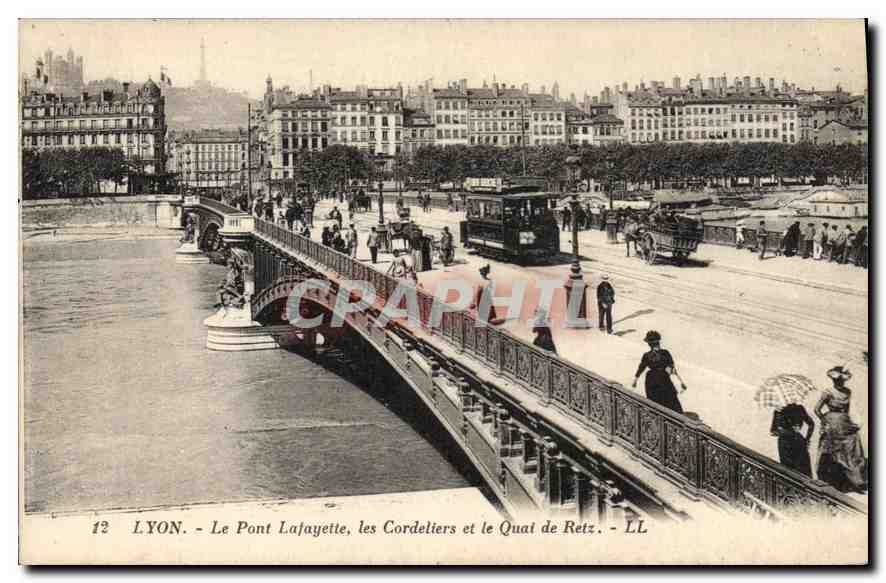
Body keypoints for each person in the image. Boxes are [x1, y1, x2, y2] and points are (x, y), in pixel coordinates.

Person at [814, 366, 867, 493]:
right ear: (833, 380)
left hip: (844, 421)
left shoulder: (848, 391)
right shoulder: (828, 392)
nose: (839, 382)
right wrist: (824, 420)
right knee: (833, 449)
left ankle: (853, 479)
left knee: (852, 445)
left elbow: (847, 410)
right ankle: (835, 479)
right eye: (837, 380)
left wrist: (848, 421)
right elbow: (817, 409)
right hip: (831, 421)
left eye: (841, 380)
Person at [632, 330, 686, 414]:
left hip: (651, 379)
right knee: (670, 399)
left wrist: (635, 379)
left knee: (655, 401)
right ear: (658, 343)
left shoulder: (646, 355)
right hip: (663, 378)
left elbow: (641, 367)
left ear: (649, 344)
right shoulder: (665, 353)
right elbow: (671, 366)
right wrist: (670, 369)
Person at [770, 403, 815, 478]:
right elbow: (811, 424)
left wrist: (777, 415)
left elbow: (774, 431)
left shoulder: (779, 410)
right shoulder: (800, 408)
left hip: (785, 442)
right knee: (803, 471)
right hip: (798, 441)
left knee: (788, 471)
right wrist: (807, 439)